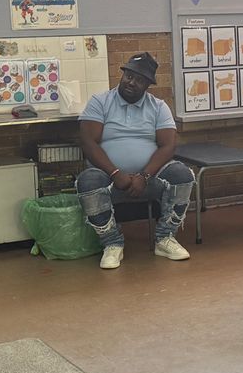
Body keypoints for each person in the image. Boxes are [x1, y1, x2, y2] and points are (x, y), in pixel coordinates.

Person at [76, 52, 194, 266]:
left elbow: (168, 145)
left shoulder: (158, 107)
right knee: (88, 181)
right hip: (109, 180)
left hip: (150, 180)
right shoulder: (100, 102)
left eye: (139, 80)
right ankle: (112, 244)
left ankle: (165, 238)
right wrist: (115, 173)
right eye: (129, 76)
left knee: (182, 174)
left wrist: (144, 176)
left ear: (148, 85)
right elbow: (88, 142)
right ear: (123, 75)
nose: (131, 82)